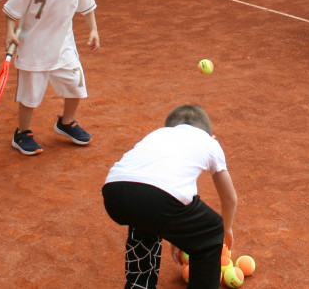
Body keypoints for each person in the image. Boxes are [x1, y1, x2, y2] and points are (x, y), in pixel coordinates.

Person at [102, 105, 238, 289]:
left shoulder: (157, 135)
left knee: (143, 218)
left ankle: (139, 284)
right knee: (212, 230)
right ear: (210, 136)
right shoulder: (209, 142)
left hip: (114, 193)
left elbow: (167, 190)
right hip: (159, 198)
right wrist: (226, 228)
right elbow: (229, 198)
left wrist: (179, 235)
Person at [2, 0, 101, 155]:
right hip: (34, 49)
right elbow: (12, 11)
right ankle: (22, 133)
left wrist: (93, 30)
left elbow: (87, 7)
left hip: (64, 48)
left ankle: (66, 123)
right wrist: (9, 31)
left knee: (76, 87)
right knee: (29, 97)